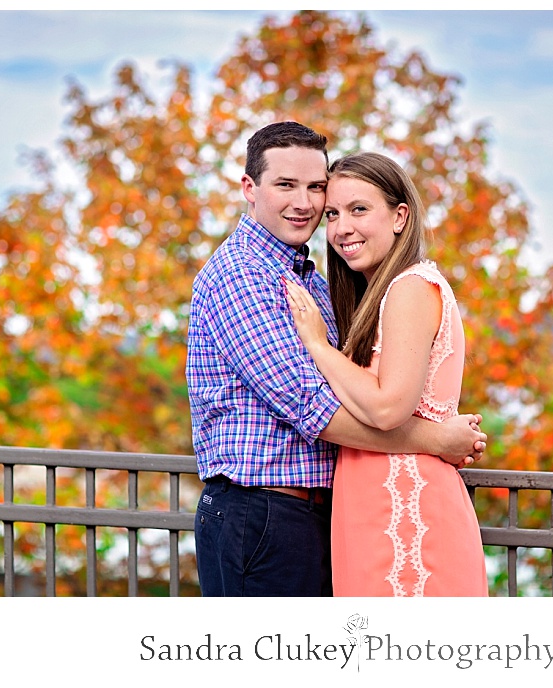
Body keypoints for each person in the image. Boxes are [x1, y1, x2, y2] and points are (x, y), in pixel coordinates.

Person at [186, 121, 487, 597]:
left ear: (399, 216)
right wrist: (437, 439)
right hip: (262, 515)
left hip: (318, 515)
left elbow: (361, 389)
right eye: (285, 185)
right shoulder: (242, 275)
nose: (304, 203)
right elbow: (313, 407)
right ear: (250, 188)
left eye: (315, 189)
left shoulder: (310, 277)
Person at [283, 151, 489, 596]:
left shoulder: (410, 287)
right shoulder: (374, 296)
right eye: (333, 214)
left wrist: (317, 345)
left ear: (400, 216)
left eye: (359, 210)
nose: (341, 228)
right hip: (368, 509)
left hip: (408, 511)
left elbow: (386, 407)